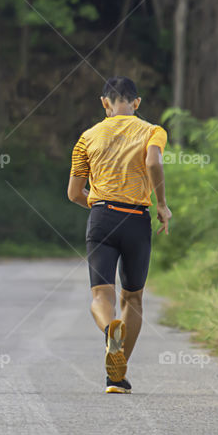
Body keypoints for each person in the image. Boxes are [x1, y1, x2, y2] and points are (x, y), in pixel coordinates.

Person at [67, 76, 171, 394]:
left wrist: (100, 207)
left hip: (101, 216)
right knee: (134, 298)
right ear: (136, 103)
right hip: (136, 220)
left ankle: (109, 329)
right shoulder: (153, 131)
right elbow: (153, 161)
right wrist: (162, 205)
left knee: (101, 296)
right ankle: (117, 375)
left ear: (105, 103)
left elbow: (73, 193)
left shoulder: (87, 137)